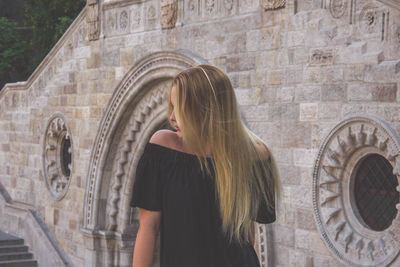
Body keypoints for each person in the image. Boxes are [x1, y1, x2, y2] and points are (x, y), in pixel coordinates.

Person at [130, 64, 280, 267]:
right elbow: (148, 227)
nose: (172, 116)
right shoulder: (163, 149)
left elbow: (247, 233)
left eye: (180, 108)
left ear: (207, 108)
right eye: (171, 106)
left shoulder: (256, 157)